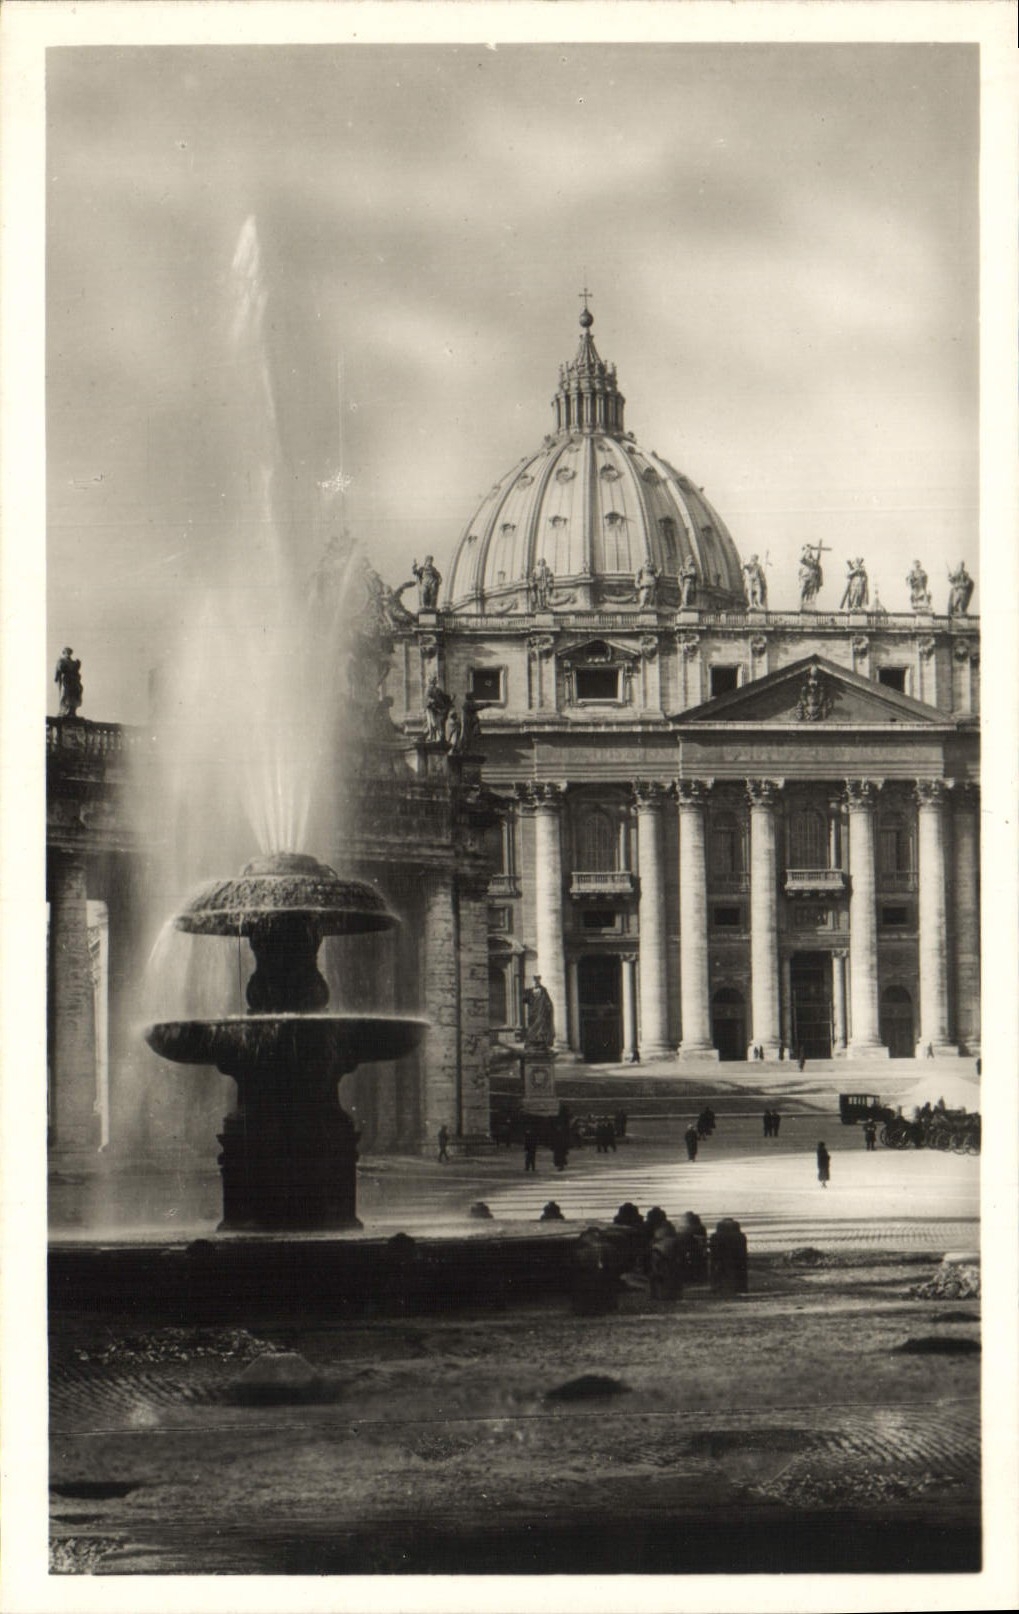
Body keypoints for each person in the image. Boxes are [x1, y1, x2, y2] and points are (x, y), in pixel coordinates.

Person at [523, 975, 555, 1050]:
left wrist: (548, 1008)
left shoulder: (543, 990)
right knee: (532, 1028)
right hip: (532, 1013)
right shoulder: (529, 991)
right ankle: (532, 1043)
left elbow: (548, 1002)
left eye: (537, 981)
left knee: (540, 1027)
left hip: (541, 1013)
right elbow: (524, 1000)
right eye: (534, 981)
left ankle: (540, 1043)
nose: (535, 982)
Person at [54, 647, 83, 718]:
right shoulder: (61, 660)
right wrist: (57, 676)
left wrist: (77, 665)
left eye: (69, 652)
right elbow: (58, 670)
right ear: (64, 652)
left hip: (73, 680)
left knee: (75, 693)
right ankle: (64, 710)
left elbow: (77, 672)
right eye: (66, 652)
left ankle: (72, 711)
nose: (68, 653)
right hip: (66, 680)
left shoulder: (74, 662)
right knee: (65, 694)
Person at [798, 542, 826, 607]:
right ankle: (801, 602)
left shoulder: (813, 561)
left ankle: (810, 604)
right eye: (807, 552)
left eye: (809, 552)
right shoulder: (805, 561)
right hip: (805, 577)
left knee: (811, 592)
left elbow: (818, 567)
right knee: (804, 590)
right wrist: (807, 550)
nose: (808, 553)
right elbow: (801, 559)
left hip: (813, 578)